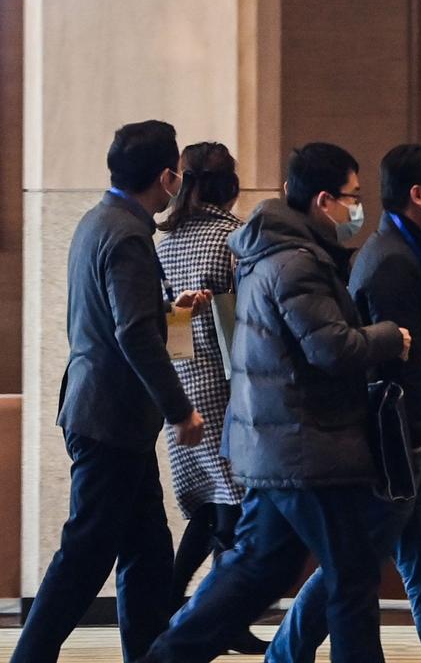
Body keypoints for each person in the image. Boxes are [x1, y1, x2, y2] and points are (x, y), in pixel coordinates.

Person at [140, 143, 411, 663]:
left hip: (279, 443)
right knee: (351, 578)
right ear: (324, 200)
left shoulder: (274, 252)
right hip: (307, 446)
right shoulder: (296, 263)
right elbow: (331, 347)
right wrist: (386, 336)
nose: (359, 209)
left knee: (257, 569)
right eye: (353, 197)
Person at [11, 120, 208, 663]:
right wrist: (180, 409)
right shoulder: (128, 234)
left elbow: (123, 319)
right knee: (87, 552)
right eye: (178, 176)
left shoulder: (98, 221)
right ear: (167, 176)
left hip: (108, 416)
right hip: (112, 419)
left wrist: (173, 311)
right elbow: (132, 334)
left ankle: (149, 656)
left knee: (147, 550)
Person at [267, 144, 421, 663]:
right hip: (396, 445)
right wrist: (413, 434)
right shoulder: (391, 265)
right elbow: (392, 366)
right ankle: (286, 653)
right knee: (356, 564)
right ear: (418, 195)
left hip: (414, 440)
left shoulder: (410, 257)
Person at [155, 142, 269, 656]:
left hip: (177, 382)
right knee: (230, 504)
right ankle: (217, 615)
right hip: (225, 385)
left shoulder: (164, 240)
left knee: (208, 506)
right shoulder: (234, 237)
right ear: (229, 183)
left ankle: (181, 607)